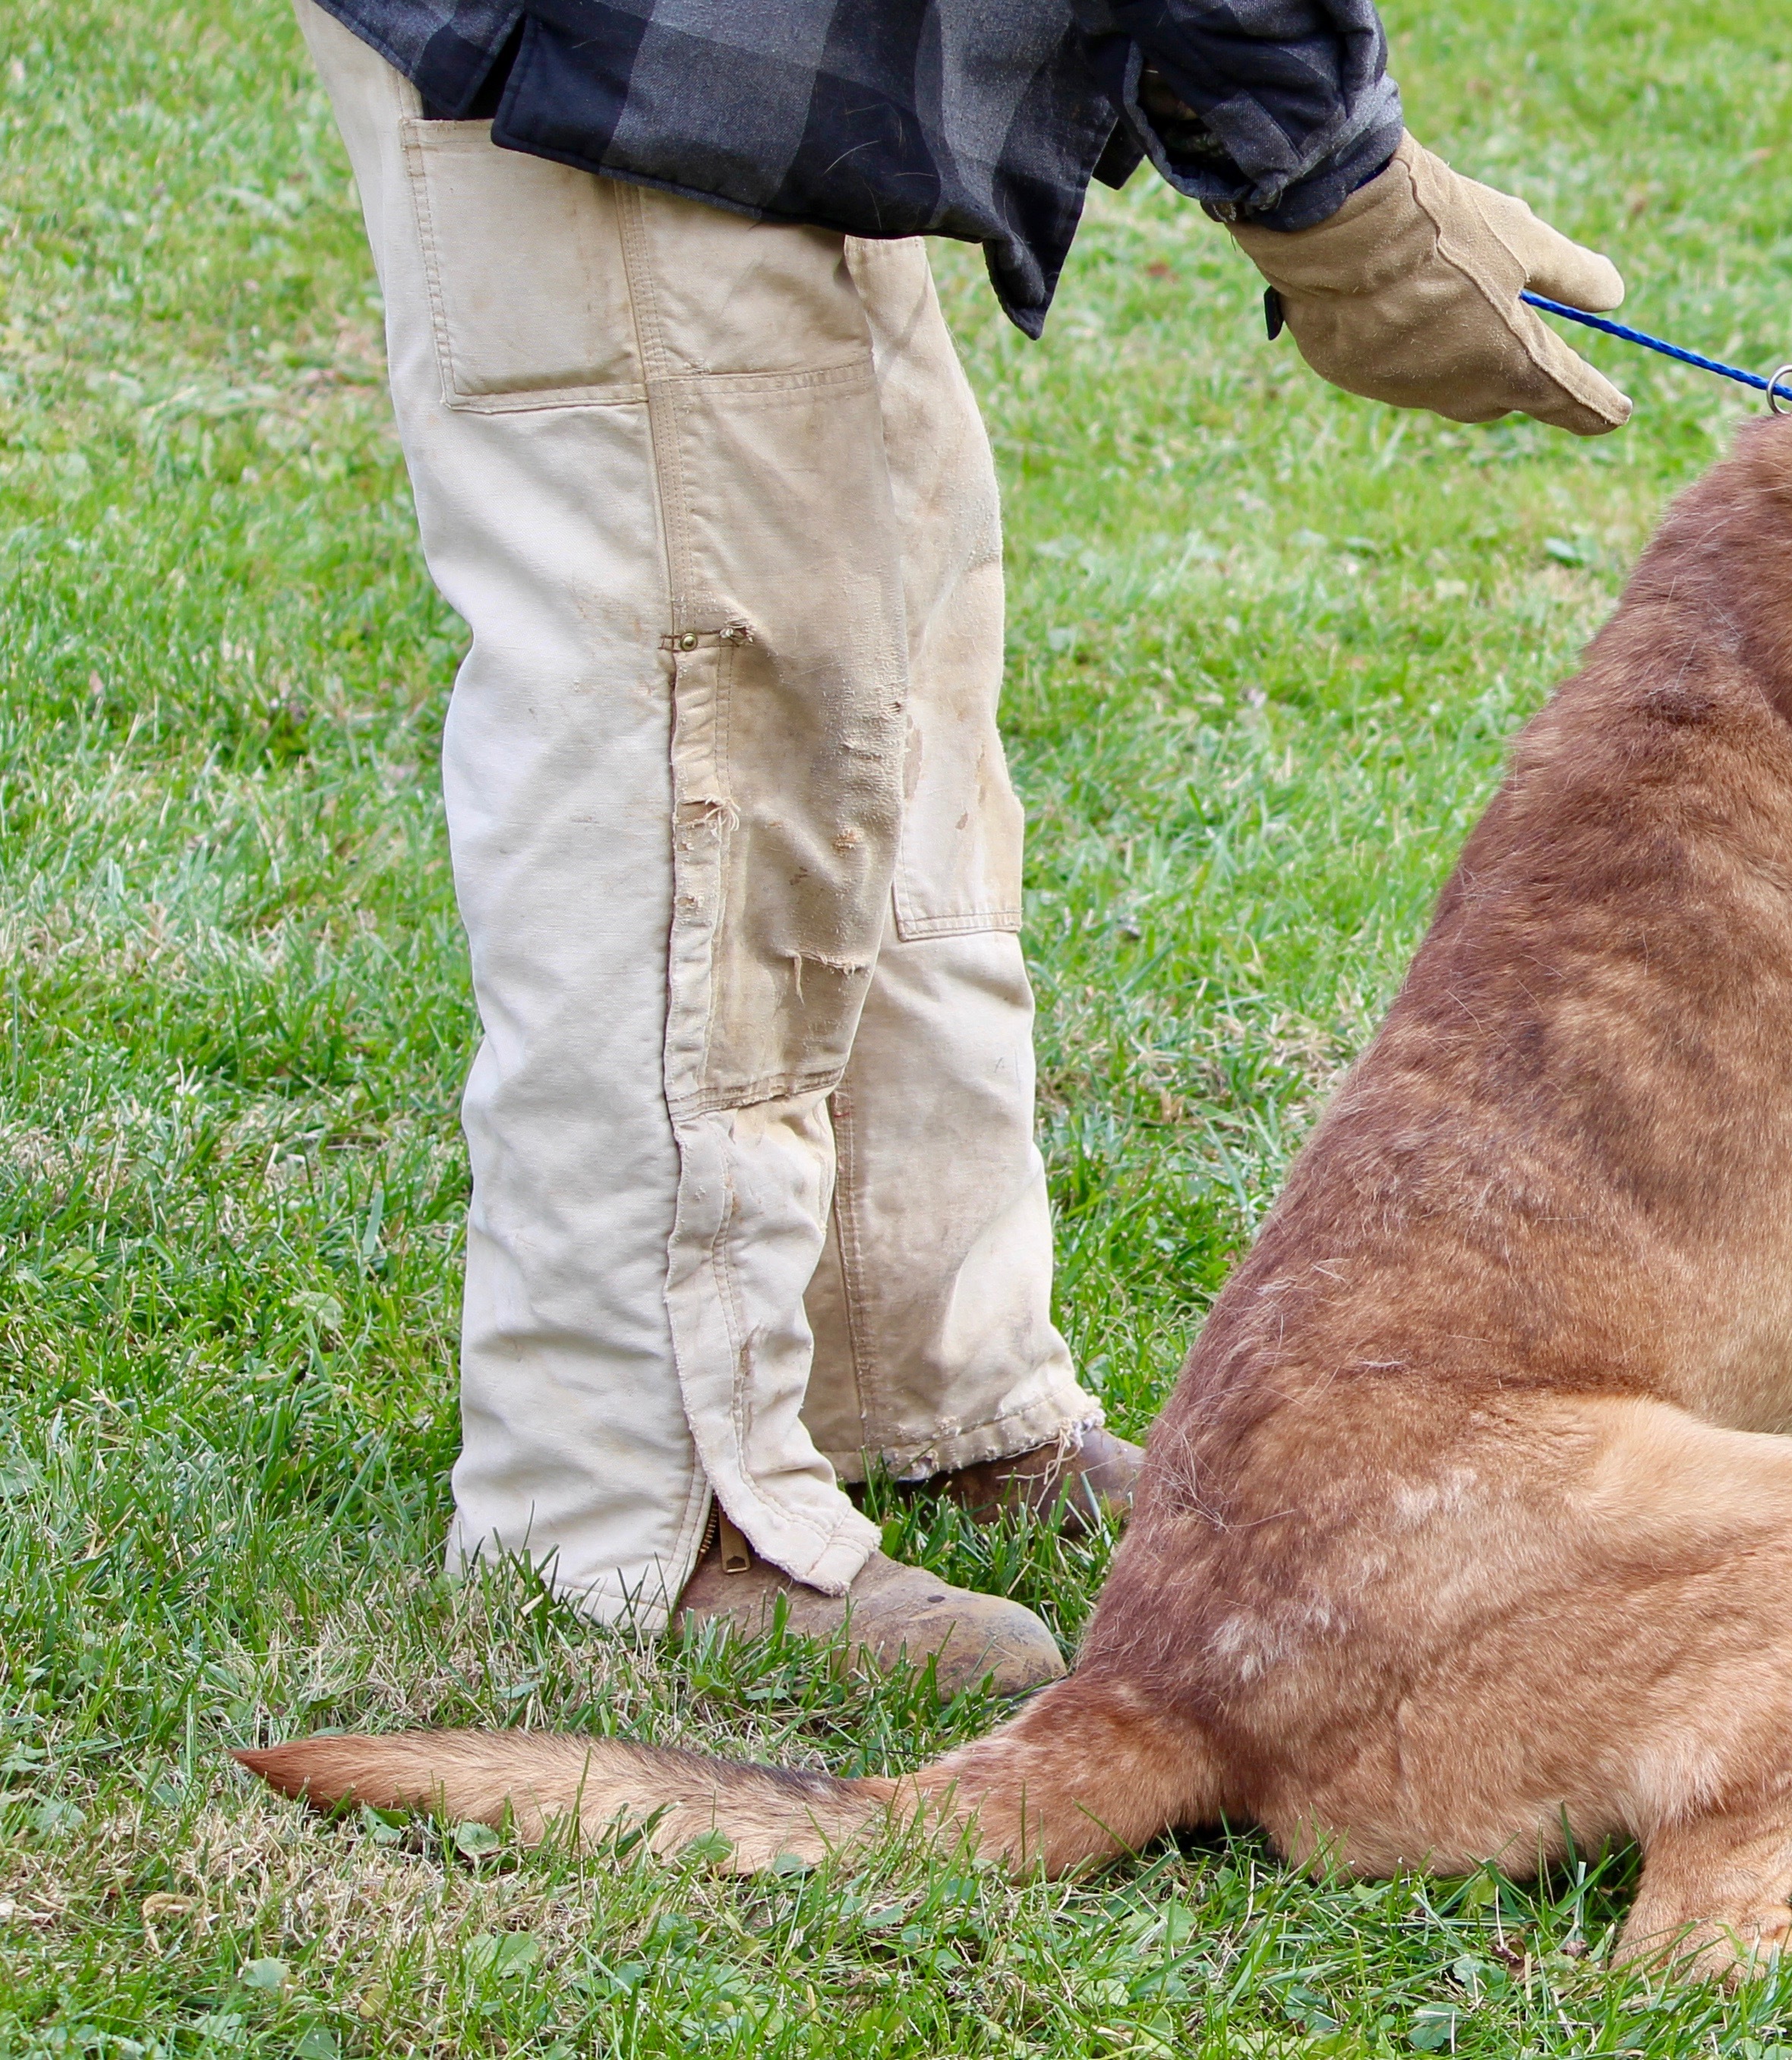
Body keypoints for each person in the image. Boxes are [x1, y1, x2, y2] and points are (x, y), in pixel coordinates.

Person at [292, 0, 1633, 1694]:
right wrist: (1330, 182)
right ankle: (631, 1512)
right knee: (708, 707)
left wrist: (1324, 172)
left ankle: (922, 1395)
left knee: (886, 668)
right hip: (616, 47)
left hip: (768, 60)